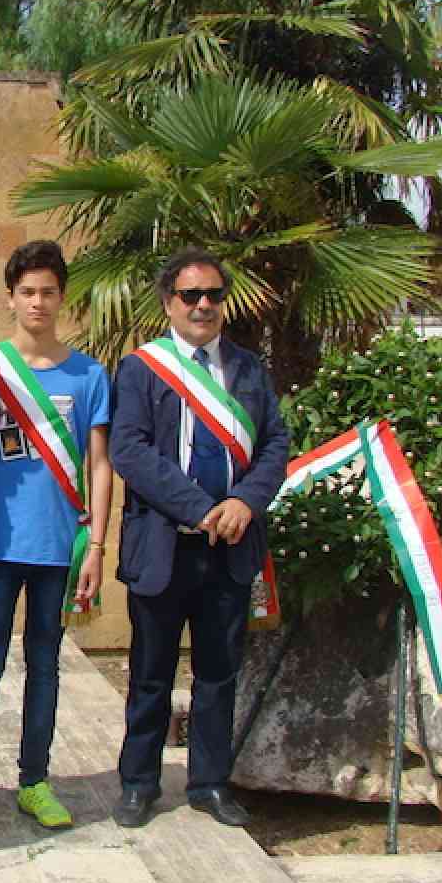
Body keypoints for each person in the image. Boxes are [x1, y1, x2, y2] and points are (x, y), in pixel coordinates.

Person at [108, 249, 288, 829]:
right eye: (191, 296)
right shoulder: (141, 369)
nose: (203, 305)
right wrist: (204, 507)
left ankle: (210, 785)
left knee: (217, 674)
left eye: (213, 294)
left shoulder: (249, 369)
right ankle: (138, 783)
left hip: (230, 549)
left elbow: (276, 446)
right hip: (164, 548)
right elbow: (129, 450)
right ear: (169, 304)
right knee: (150, 673)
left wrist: (242, 503)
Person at [0, 240, 112, 836]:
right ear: (9, 298)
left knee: (46, 666)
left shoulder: (89, 374)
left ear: (61, 297)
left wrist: (95, 548)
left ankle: (35, 781)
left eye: (48, 291)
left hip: (59, 549)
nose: (38, 302)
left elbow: (98, 464)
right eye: (27, 292)